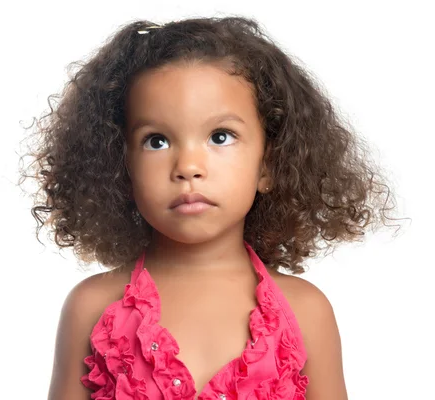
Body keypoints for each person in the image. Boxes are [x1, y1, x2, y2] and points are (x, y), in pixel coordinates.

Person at [21, 16, 402, 400]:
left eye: (220, 136)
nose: (188, 166)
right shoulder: (91, 308)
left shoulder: (305, 312)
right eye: (156, 141)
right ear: (122, 167)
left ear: (269, 164)